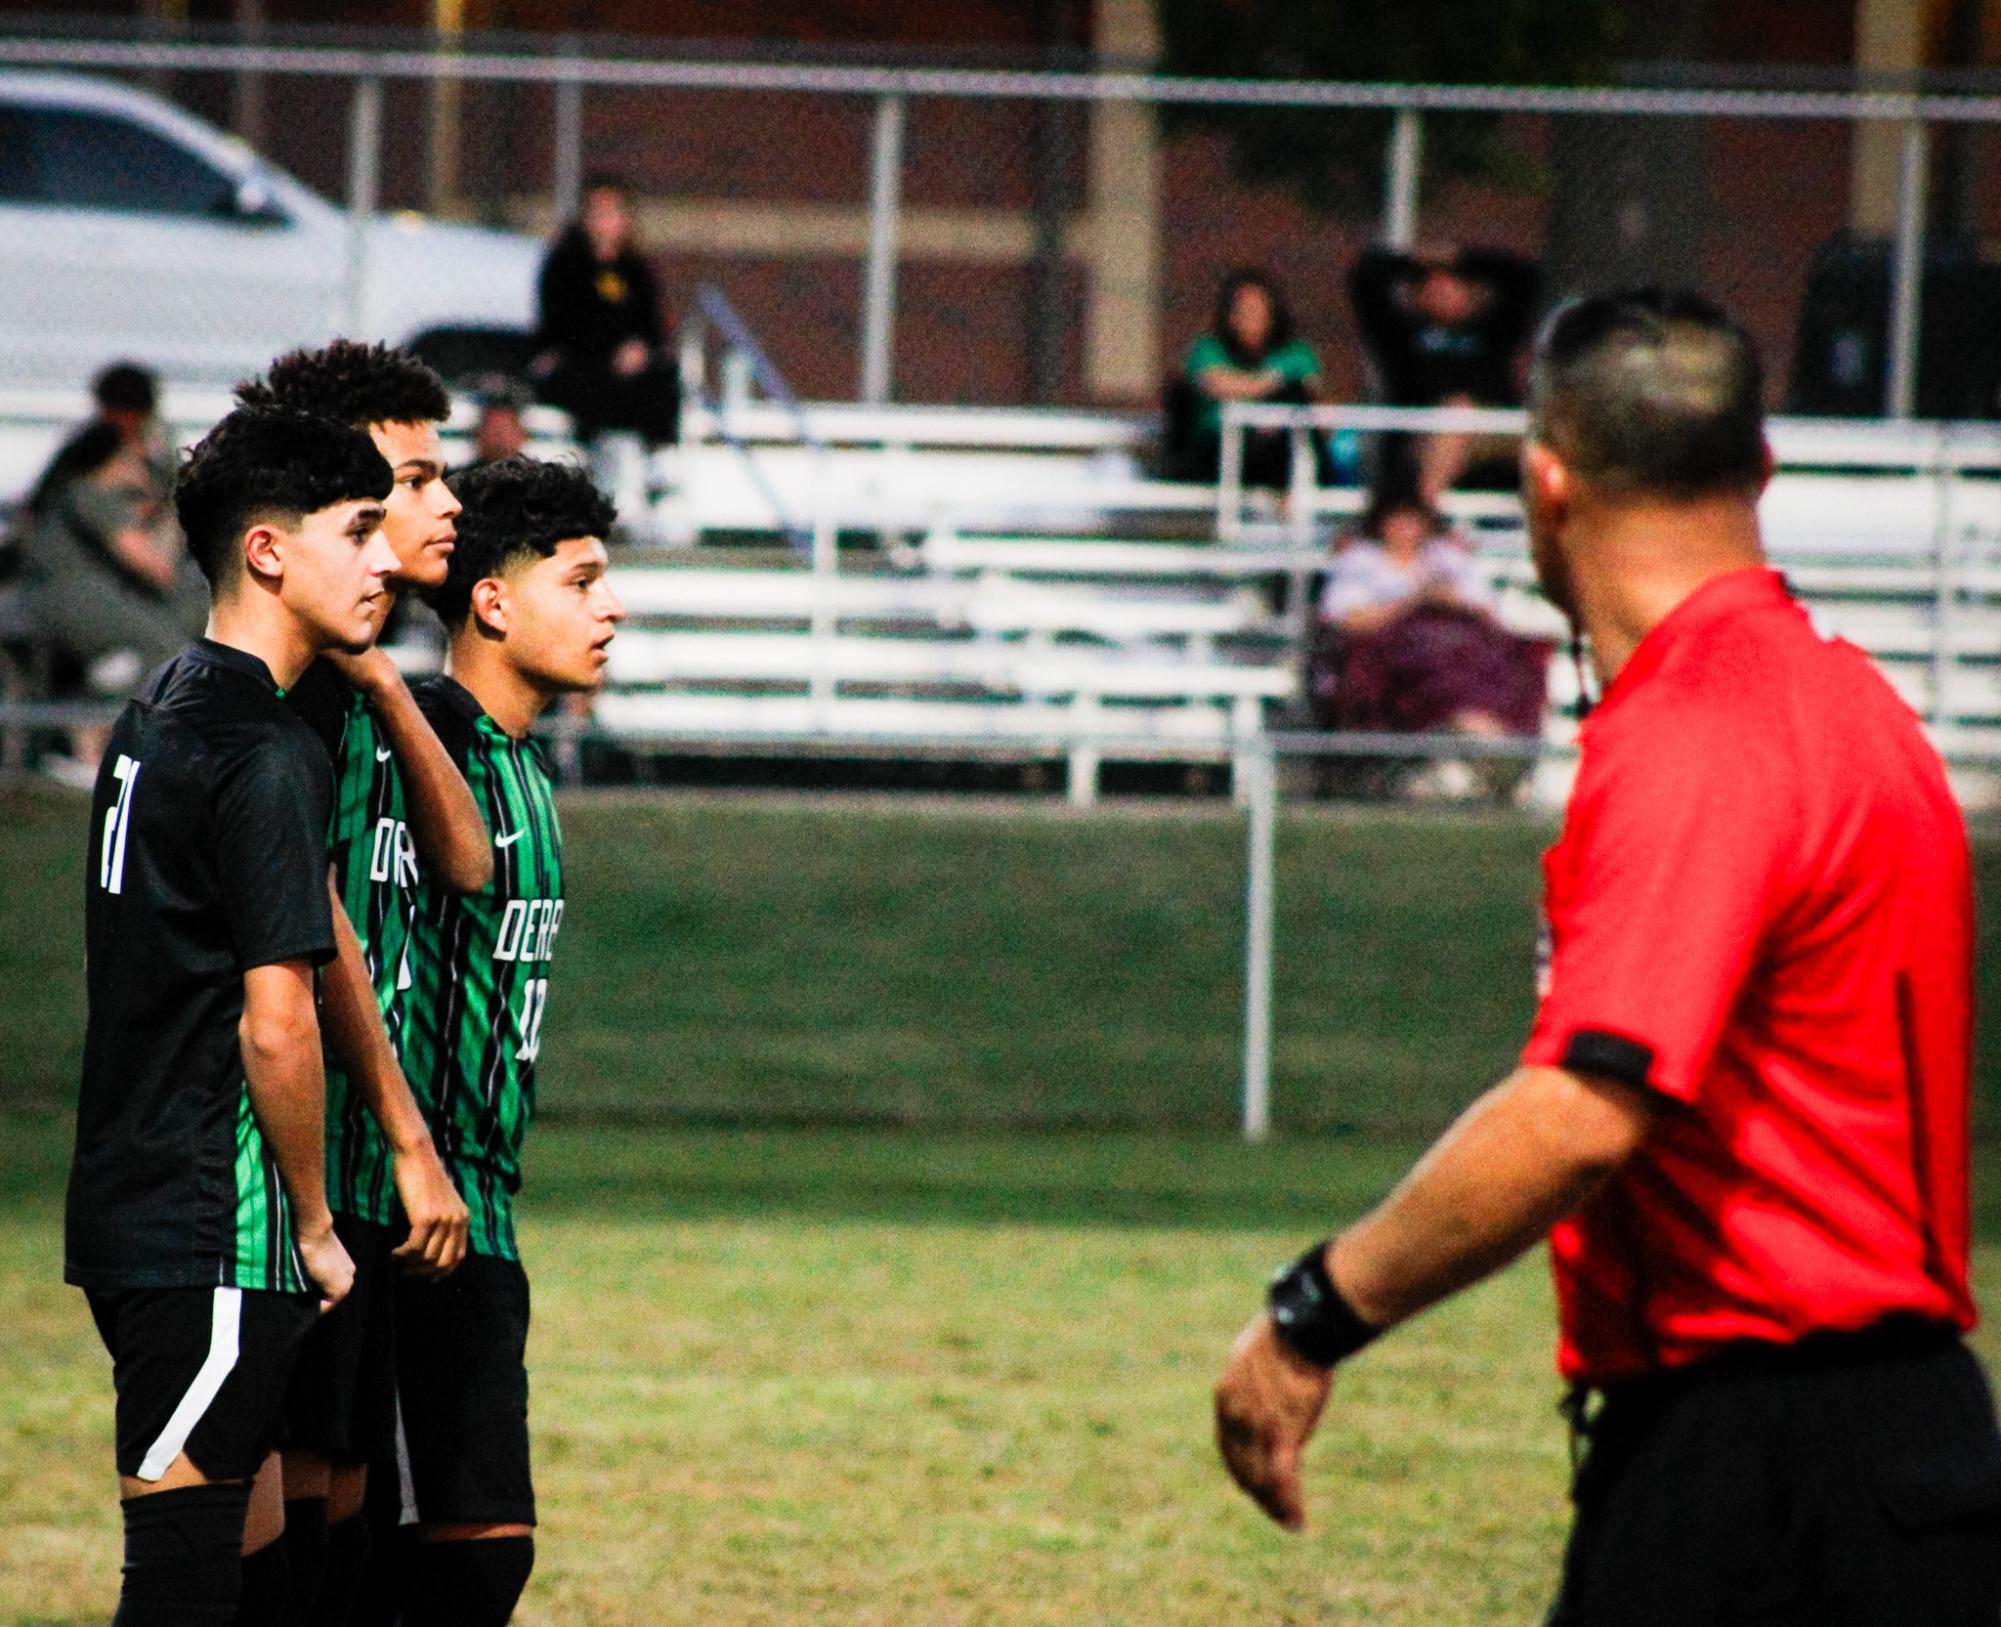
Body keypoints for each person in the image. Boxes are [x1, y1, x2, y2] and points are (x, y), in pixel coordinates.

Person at [1214, 289, 2001, 1624]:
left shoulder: (1695, 733)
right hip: (1911, 1443)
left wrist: (1310, 1313)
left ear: (1543, 481)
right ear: (1760, 466)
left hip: (1759, 1463)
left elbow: (1581, 1107)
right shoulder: (1856, 706)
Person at [66, 406, 396, 1626]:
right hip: (216, 1222)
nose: (386, 560)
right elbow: (277, 1022)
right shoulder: (265, 750)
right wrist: (313, 1223)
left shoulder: (160, 710)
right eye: (359, 530)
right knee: (184, 1580)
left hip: (129, 1197)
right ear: (267, 551)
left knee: (222, 1567)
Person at [237, 340, 490, 1627]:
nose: (448, 505)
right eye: (417, 477)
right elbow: (316, 933)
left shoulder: (360, 685)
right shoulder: (268, 705)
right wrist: (408, 1137)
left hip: (348, 1158)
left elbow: (464, 866)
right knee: (270, 1490)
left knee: (342, 1479)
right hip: (297, 1159)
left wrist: (388, 678)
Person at [392, 457, 624, 1626]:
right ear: (491, 601)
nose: (611, 609)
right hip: (406, 1220)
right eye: (581, 584)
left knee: (479, 1558)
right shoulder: (415, 745)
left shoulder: (525, 767)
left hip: (487, 1208)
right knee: (424, 1563)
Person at [1308, 476, 1549, 798]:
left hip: (1460, 650)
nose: (1405, 529)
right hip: (1399, 659)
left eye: (1412, 520)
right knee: (1429, 668)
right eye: (1397, 519)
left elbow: (1488, 612)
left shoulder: (1446, 558)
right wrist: (1413, 600)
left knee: (1493, 661)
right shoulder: (1361, 561)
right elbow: (1347, 620)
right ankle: (1470, 733)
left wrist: (1448, 599)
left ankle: (1482, 738)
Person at [20, 364, 207, 776]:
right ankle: (94, 723)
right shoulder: (89, 482)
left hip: (101, 588)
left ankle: (101, 714)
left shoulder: (136, 455)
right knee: (170, 648)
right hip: (71, 591)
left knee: (171, 637)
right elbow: (153, 564)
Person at [1349, 242, 1539, 502]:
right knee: (1457, 412)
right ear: (1416, 296)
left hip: (1494, 438)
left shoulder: (1494, 334)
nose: (1442, 292)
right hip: (1422, 440)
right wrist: (1413, 260)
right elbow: (1365, 280)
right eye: (1429, 285)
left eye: (1451, 284)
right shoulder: (1401, 341)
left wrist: (1462, 257)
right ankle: (1425, 509)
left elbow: (1524, 278)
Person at [529, 175, 679, 450]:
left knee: (660, 378)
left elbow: (652, 324)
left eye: (612, 212)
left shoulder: (635, 270)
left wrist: (640, 349)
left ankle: (656, 455)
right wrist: (608, 350)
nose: (604, 221)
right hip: (580, 360)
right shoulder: (564, 265)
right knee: (591, 384)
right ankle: (593, 450)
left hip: (629, 367)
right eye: (597, 212)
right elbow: (561, 323)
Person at [1174, 269, 1327, 488]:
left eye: (1258, 310)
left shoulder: (1297, 352)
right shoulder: (1207, 349)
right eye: (1243, 311)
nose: (1251, 319)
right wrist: (1275, 381)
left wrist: (1268, 388)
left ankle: (1290, 491)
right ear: (1230, 315)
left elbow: (1311, 394)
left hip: (1275, 456)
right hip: (1216, 456)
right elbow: (1217, 384)